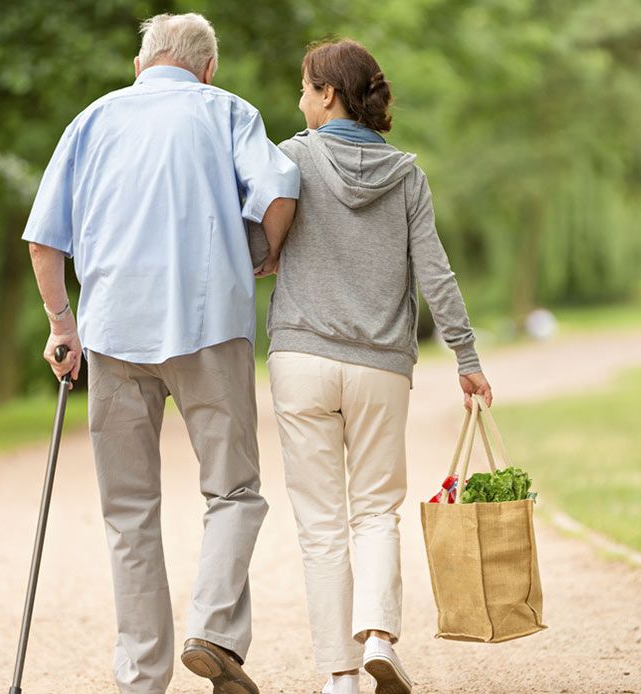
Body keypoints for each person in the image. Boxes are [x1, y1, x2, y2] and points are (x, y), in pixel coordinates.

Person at [22, 13, 298, 694]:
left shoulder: (91, 120)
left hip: (114, 334)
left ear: (140, 63)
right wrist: (262, 255)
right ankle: (212, 629)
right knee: (232, 491)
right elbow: (281, 190)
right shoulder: (227, 111)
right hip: (209, 326)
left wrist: (63, 324)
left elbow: (43, 241)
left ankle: (141, 677)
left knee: (128, 511)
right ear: (207, 67)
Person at [259, 38, 492, 694]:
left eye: (305, 88)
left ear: (328, 94)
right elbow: (435, 275)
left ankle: (339, 676)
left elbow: (256, 244)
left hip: (302, 356)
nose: (299, 100)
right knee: (374, 511)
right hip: (380, 368)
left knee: (321, 522)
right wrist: (465, 357)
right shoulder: (408, 175)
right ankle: (380, 638)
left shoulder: (291, 159)